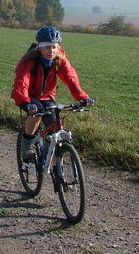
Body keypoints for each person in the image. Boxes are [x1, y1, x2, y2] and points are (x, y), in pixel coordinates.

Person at [11, 26, 94, 162]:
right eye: (47, 47)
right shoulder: (29, 60)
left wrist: (83, 98)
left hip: (47, 96)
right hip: (29, 96)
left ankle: (49, 156)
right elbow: (22, 81)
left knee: (54, 124)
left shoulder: (59, 60)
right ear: (40, 47)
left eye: (54, 47)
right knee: (37, 113)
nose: (52, 51)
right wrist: (25, 102)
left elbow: (70, 78)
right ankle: (26, 146)